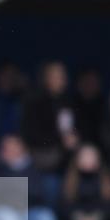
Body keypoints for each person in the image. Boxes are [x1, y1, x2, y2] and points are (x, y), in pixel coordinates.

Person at [21, 61, 79, 206]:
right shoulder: (35, 102)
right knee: (49, 196)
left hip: (68, 165)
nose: (60, 80)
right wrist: (61, 140)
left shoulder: (68, 102)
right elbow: (31, 136)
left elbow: (72, 129)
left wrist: (73, 138)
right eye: (55, 76)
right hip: (44, 166)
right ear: (46, 79)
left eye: (62, 76)